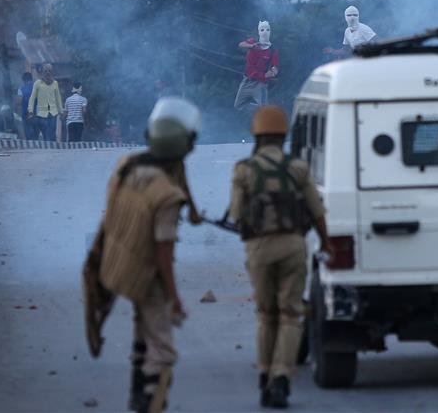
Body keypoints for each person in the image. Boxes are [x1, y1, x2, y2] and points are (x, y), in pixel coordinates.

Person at [95, 97, 202, 413]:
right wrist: (175, 298)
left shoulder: (127, 164)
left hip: (118, 260)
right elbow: (163, 254)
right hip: (147, 268)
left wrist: (193, 213)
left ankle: (137, 393)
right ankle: (152, 402)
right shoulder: (166, 196)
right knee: (163, 349)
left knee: (143, 328)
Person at [228, 105, 333, 409]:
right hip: (293, 246)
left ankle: (264, 374)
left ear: (257, 135)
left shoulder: (243, 170)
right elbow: (317, 211)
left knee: (266, 314)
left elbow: (236, 215)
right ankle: (282, 378)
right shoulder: (298, 168)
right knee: (290, 314)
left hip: (259, 249)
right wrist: (326, 243)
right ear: (283, 135)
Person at [235, 21, 280, 111]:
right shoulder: (254, 41)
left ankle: (264, 116)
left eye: (267, 29)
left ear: (270, 31)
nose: (265, 32)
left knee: (264, 110)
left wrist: (273, 72)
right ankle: (258, 111)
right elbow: (241, 44)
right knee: (238, 105)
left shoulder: (272, 50)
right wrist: (251, 46)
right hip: (247, 80)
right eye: (262, 29)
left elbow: (275, 66)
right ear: (259, 31)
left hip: (260, 83)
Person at [27, 64, 63, 142]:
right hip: (42, 113)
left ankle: (53, 151)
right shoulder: (38, 83)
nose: (48, 73)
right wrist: (30, 110)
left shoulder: (55, 83)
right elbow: (32, 98)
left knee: (52, 133)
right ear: (42, 72)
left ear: (52, 72)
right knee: (46, 133)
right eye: (46, 71)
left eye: (49, 71)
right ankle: (47, 151)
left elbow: (58, 98)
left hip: (53, 113)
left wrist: (61, 111)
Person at [16, 72, 37, 139]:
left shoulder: (21, 89)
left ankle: (31, 147)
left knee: (28, 133)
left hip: (26, 114)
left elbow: (19, 101)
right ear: (31, 79)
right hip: (37, 113)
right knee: (36, 132)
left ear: (23, 80)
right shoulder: (37, 88)